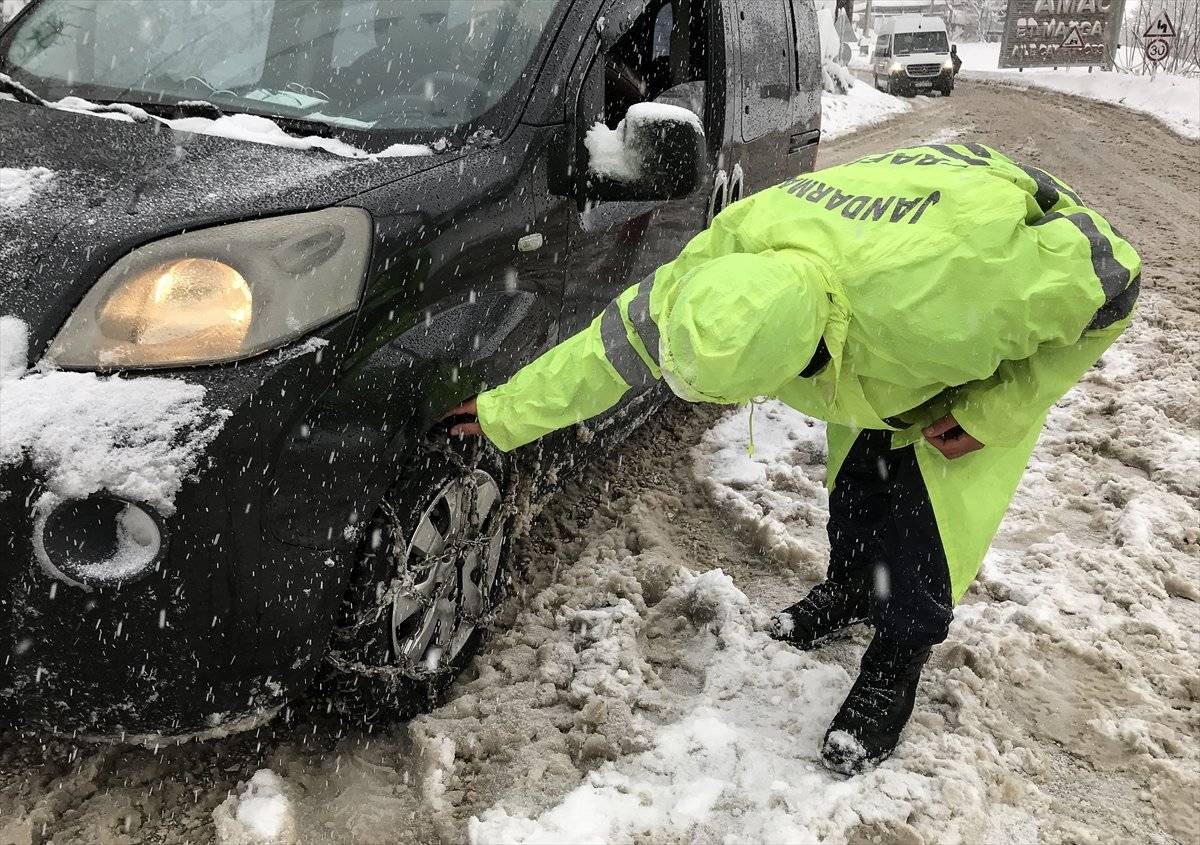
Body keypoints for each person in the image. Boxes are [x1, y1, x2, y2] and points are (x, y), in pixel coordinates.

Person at [446, 143, 1140, 774]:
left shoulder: (955, 297)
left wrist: (996, 407)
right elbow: (614, 348)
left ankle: (897, 657)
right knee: (859, 477)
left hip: (965, 254)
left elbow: (1117, 279)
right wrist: (501, 414)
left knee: (929, 519)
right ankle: (855, 585)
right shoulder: (724, 259)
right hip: (878, 264)